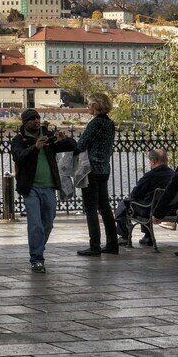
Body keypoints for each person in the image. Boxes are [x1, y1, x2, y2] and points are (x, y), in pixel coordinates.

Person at [11, 109, 77, 273]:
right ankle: (37, 258)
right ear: (25, 122)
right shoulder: (20, 139)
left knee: (47, 223)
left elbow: (74, 147)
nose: (36, 121)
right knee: (35, 225)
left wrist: (65, 140)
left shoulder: (49, 135)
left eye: (38, 118)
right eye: (32, 119)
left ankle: (39, 248)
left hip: (49, 187)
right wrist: (35, 147)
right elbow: (18, 156)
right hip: (30, 188)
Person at [75, 93, 118, 256]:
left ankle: (94, 246)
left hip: (91, 169)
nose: (88, 107)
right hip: (104, 169)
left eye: (89, 104)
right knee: (105, 207)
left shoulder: (95, 123)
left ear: (95, 106)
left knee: (91, 208)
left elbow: (81, 144)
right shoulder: (110, 123)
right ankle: (112, 244)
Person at [117, 149, 172, 246]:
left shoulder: (150, 176)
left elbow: (135, 193)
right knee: (147, 201)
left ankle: (124, 236)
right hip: (170, 209)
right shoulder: (173, 175)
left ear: (153, 161)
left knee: (124, 204)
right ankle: (147, 237)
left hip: (150, 211)